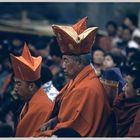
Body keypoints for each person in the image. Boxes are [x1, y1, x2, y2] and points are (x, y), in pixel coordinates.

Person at [36, 17, 113, 137]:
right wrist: (54, 120)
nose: (63, 66)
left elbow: (73, 128)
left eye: (66, 61)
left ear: (79, 62)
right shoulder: (78, 81)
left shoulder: (86, 89)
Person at [10, 43, 52, 137]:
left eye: (18, 84)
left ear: (31, 86)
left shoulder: (44, 107)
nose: (15, 89)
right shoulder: (28, 101)